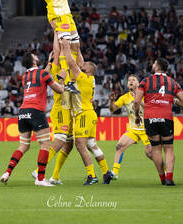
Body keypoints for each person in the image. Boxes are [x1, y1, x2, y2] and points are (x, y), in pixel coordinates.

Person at [0, 52, 67, 187]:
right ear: (33, 60)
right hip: (36, 111)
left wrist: (49, 62)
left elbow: (42, 75)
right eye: (34, 55)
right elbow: (59, 90)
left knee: (23, 146)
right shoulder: (43, 74)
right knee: (45, 145)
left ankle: (7, 172)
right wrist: (62, 79)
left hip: (23, 112)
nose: (36, 55)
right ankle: (40, 179)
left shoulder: (25, 76)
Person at [60, 38, 113, 185]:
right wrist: (76, 45)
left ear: (89, 71)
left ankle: (92, 176)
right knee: (91, 144)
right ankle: (106, 171)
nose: (80, 68)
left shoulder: (84, 78)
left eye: (83, 69)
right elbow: (79, 62)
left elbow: (71, 63)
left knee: (80, 145)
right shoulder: (90, 78)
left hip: (83, 114)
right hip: (89, 113)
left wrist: (65, 47)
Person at [134, 58, 183, 186]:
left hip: (150, 117)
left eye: (154, 63)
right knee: (169, 148)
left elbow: (136, 102)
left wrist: (137, 116)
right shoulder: (172, 82)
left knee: (155, 149)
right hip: (166, 117)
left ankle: (162, 178)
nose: (152, 64)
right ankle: (169, 178)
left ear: (157, 66)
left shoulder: (145, 81)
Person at [31, 31, 74, 184]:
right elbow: (56, 51)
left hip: (69, 108)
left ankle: (55, 176)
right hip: (61, 107)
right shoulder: (56, 68)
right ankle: (38, 171)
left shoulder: (69, 62)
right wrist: (57, 33)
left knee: (69, 144)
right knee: (61, 139)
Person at [109, 75, 152, 180]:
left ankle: (165, 169)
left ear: (138, 83)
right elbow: (113, 109)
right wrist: (112, 101)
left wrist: (138, 100)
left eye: (133, 80)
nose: (131, 81)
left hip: (147, 129)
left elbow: (150, 109)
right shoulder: (125, 97)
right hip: (133, 130)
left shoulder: (145, 95)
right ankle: (114, 173)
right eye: (129, 80)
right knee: (119, 146)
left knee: (150, 153)